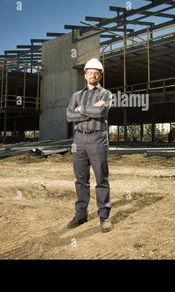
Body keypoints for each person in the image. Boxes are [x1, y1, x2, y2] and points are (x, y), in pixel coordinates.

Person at [66, 58, 113, 233]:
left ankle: (104, 216)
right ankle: (80, 215)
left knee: (101, 178)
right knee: (80, 179)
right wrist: (90, 110)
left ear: (100, 75)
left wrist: (82, 109)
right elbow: (69, 116)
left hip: (97, 138)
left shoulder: (105, 94)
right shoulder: (76, 95)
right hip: (78, 140)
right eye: (89, 72)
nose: (92, 75)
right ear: (85, 74)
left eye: (96, 72)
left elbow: (101, 112)